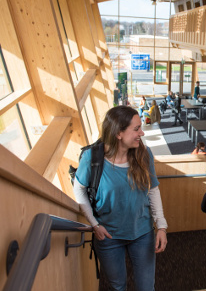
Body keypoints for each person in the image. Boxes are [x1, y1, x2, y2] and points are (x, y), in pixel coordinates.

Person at [73, 106, 168, 291]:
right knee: (118, 286)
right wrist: (94, 224)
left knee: (146, 287)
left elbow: (153, 190)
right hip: (108, 237)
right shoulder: (91, 158)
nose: (141, 133)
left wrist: (162, 226)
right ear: (118, 133)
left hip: (142, 233)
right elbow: (79, 190)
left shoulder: (144, 154)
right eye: (136, 129)